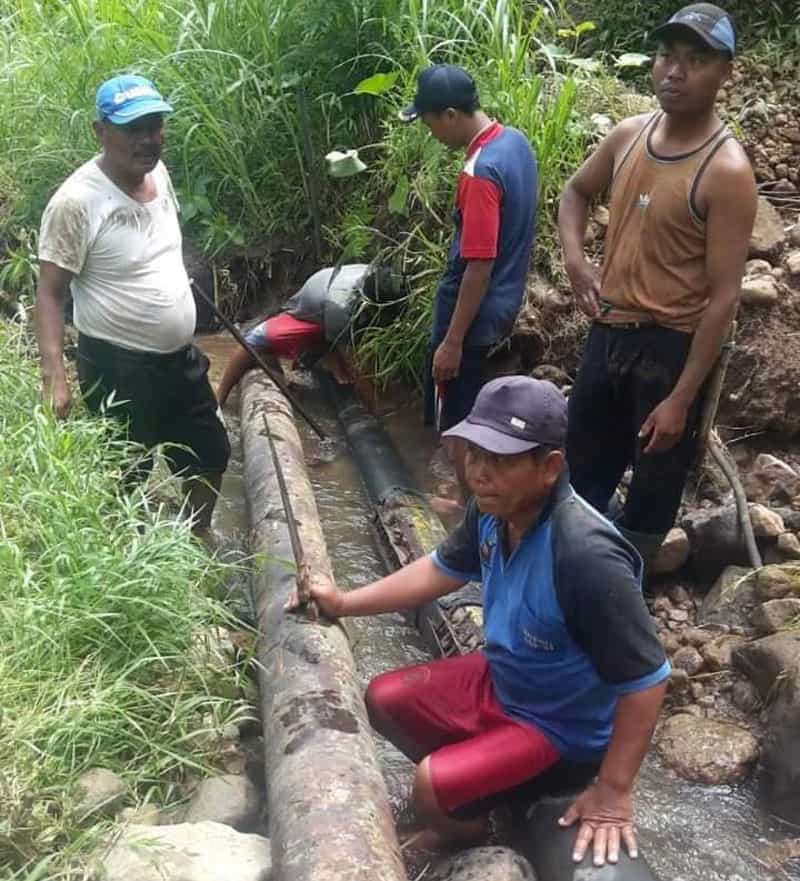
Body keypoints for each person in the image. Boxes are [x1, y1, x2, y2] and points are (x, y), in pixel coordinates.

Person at [289, 375, 670, 867]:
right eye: (475, 454)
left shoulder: (584, 555)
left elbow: (647, 679)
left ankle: (472, 836)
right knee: (383, 698)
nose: (479, 473)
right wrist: (343, 602)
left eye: (501, 460)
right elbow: (440, 569)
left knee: (430, 785)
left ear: (549, 467)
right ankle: (480, 797)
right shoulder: (493, 512)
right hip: (506, 676)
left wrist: (614, 792)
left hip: (560, 726)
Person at [559, 3, 758, 570]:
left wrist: (681, 398)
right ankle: (570, 573)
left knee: (653, 485)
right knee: (580, 469)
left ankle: (629, 584)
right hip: (608, 333)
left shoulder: (726, 172)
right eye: (667, 55)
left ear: (726, 72)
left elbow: (723, 297)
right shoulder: (629, 135)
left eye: (695, 60)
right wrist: (576, 261)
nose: (675, 70)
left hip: (670, 348)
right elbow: (575, 193)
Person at [36, 74, 230, 531]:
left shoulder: (157, 173)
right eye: (132, 129)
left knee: (211, 455)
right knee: (124, 475)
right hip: (117, 366)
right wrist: (54, 376)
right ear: (100, 131)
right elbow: (50, 292)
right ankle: (124, 551)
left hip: (178, 359)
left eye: (154, 125)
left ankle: (194, 538)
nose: (147, 139)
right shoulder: (76, 202)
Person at [400, 64, 538, 500]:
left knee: (456, 421)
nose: (431, 133)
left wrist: (452, 341)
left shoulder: (480, 173)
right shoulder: (514, 142)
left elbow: (478, 264)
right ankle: (477, 499)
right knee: (478, 410)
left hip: (472, 314)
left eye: (430, 123)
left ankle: (468, 509)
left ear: (451, 115)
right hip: (502, 304)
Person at [215, 263, 402, 408]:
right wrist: (376, 406)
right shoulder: (340, 307)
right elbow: (354, 363)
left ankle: (332, 369)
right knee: (256, 340)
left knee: (346, 351)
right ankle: (219, 398)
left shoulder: (383, 279)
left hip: (333, 288)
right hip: (311, 306)